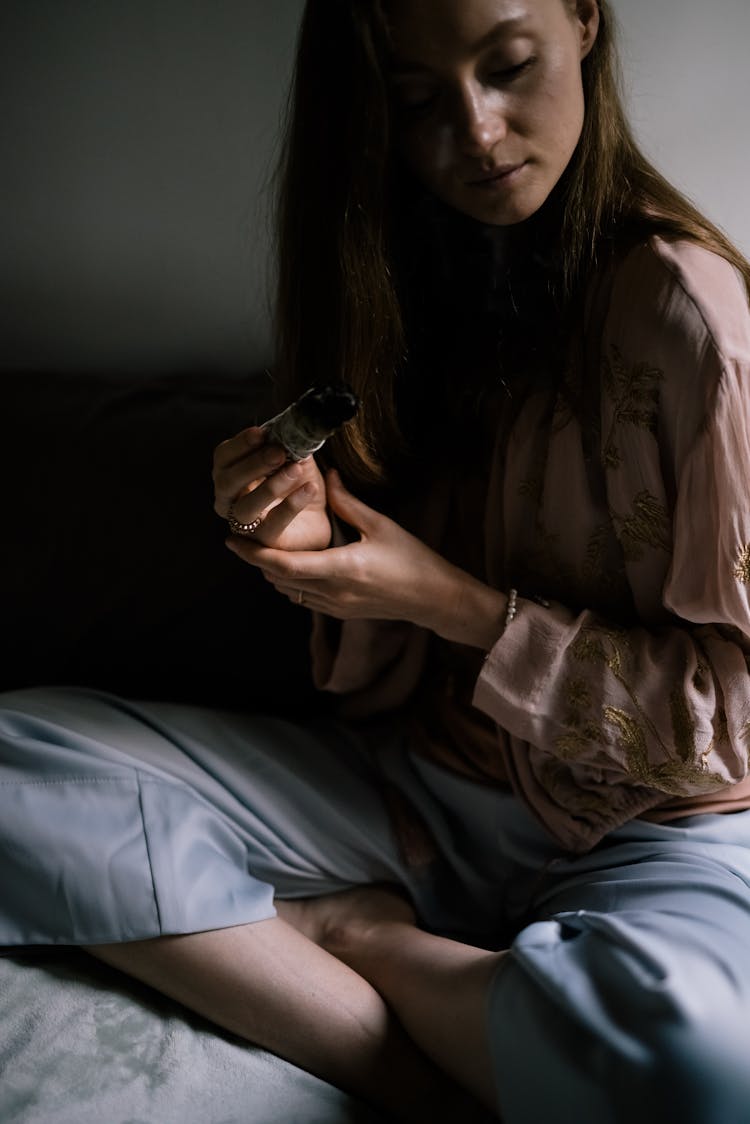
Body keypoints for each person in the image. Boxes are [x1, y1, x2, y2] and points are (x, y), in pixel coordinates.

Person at [2, 0, 750, 1120]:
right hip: (412, 799)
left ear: (585, 21)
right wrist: (307, 546)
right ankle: (416, 1062)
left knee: (691, 1062)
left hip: (649, 830)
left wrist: (461, 607)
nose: (479, 131)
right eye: (415, 102)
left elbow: (734, 721)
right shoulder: (391, 281)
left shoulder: (692, 320)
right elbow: (368, 656)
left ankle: (354, 939)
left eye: (508, 65)